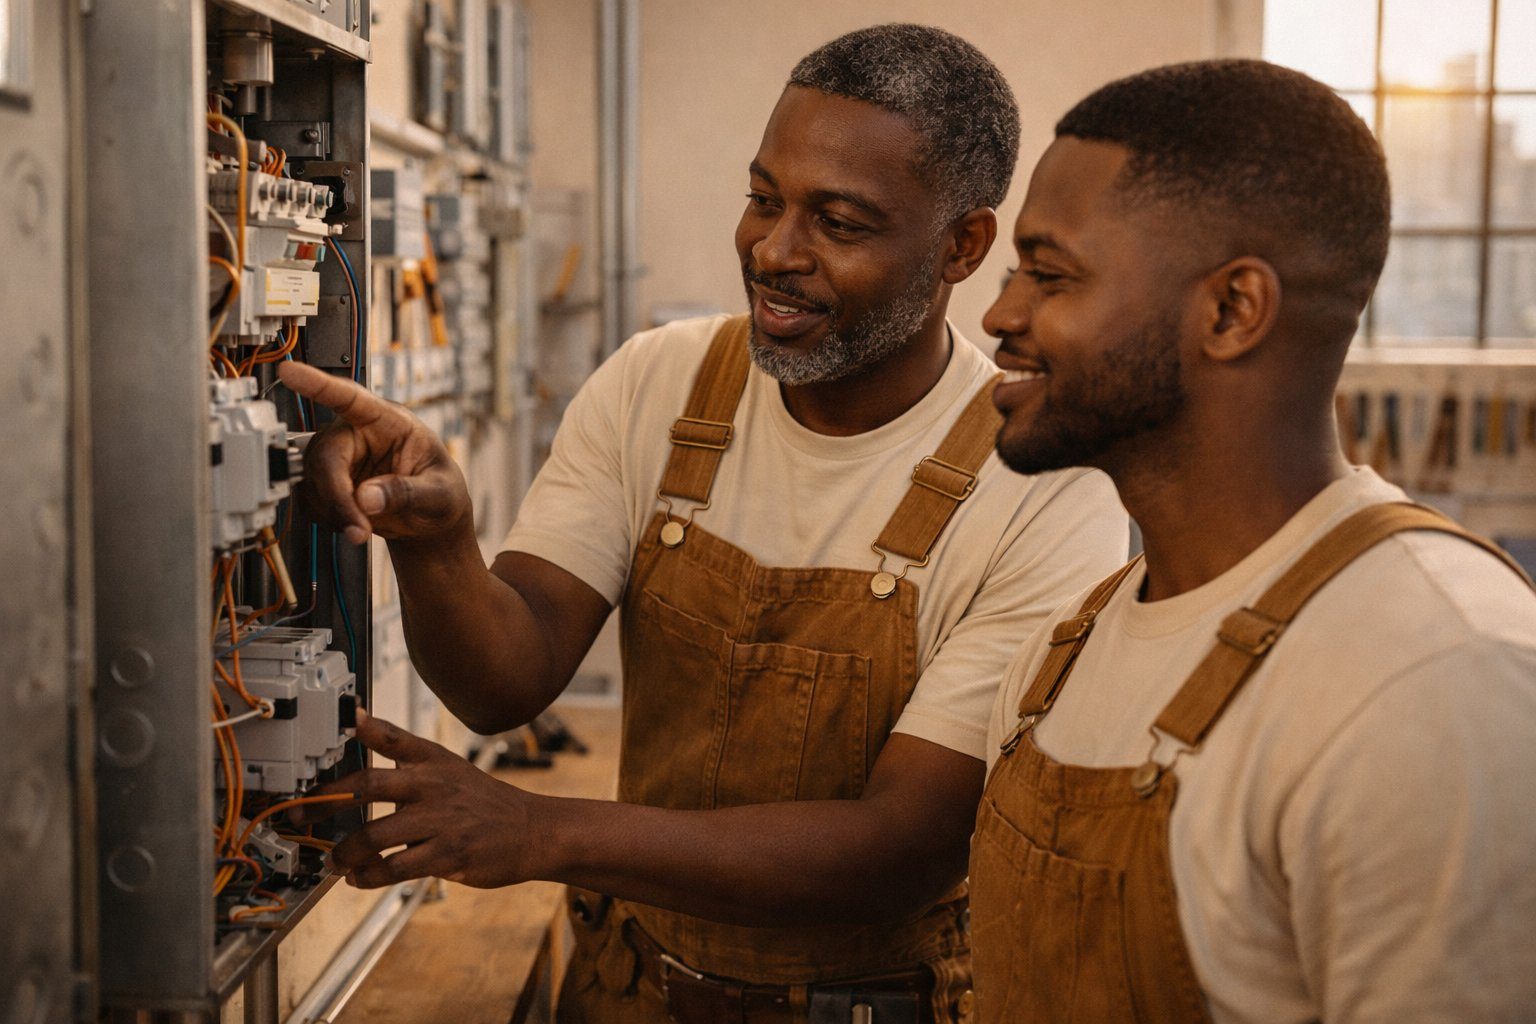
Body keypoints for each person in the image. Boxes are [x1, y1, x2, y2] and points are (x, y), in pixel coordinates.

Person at [281, 24, 1128, 1024]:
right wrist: (440, 542)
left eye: (838, 222)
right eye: (763, 198)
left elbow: (900, 845)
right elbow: (505, 680)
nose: (774, 251)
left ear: (962, 245)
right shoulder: (661, 382)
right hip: (630, 986)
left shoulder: (1039, 482)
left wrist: (541, 830)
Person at [970, 58, 1536, 1024]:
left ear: (1232, 311)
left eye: (1049, 273)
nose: (1001, 315)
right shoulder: (1067, 652)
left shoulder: (1440, 680)